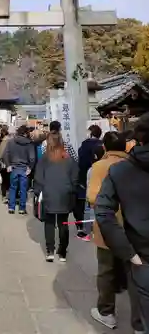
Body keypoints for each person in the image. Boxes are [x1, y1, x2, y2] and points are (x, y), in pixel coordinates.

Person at [95, 113, 149, 334]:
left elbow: (103, 210)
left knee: (144, 317)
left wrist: (127, 252)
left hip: (141, 254)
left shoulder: (120, 171)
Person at [87, 131, 129, 330]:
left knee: (106, 270)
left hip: (108, 225)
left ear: (104, 147)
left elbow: (93, 197)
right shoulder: (134, 165)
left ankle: (106, 311)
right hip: (134, 225)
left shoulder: (100, 166)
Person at [34, 131, 79, 262]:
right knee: (63, 223)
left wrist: (38, 192)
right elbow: (75, 177)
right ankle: (63, 252)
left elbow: (38, 177)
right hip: (65, 194)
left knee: (49, 223)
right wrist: (71, 189)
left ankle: (50, 251)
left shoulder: (44, 158)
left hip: (48, 193)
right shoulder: (68, 158)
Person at [75, 124, 103, 240]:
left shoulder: (84, 146)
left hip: (86, 176)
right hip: (101, 174)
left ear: (91, 133)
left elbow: (81, 163)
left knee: (87, 204)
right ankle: (98, 228)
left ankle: (86, 230)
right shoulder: (102, 145)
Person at [3, 124, 35, 215]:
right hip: (24, 169)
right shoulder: (29, 143)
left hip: (13, 168)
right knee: (23, 189)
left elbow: (5, 154)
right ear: (25, 133)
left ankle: (11, 207)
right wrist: (30, 167)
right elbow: (32, 158)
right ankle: (22, 208)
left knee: (12, 188)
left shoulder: (11, 142)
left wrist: (8, 165)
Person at [0, 124, 10, 203]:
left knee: (4, 180)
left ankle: (4, 196)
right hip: (7, 163)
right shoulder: (9, 140)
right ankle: (7, 196)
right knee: (8, 181)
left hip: (0, 163)